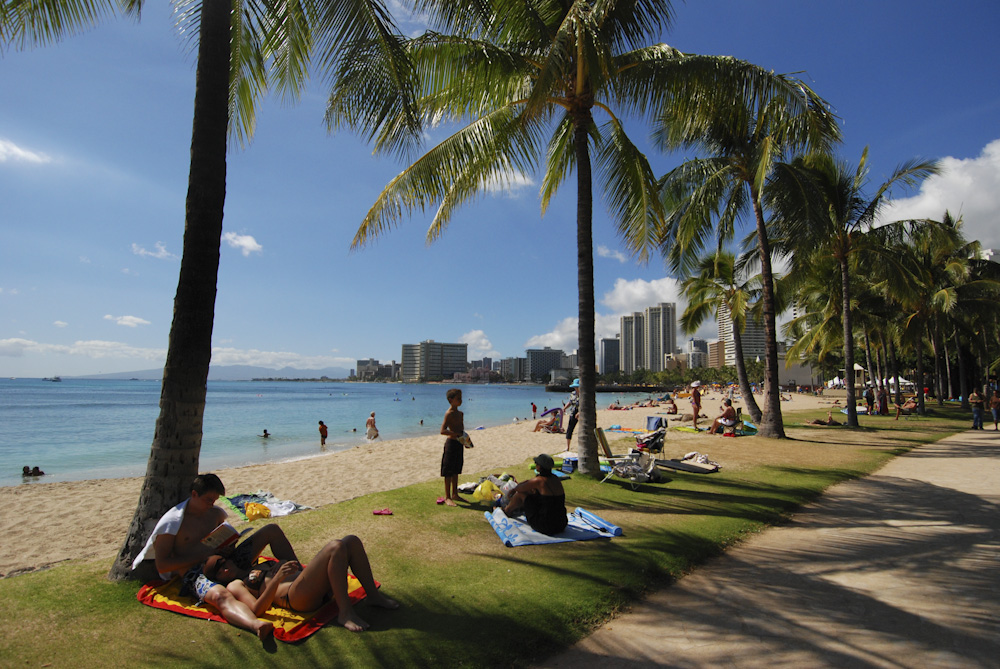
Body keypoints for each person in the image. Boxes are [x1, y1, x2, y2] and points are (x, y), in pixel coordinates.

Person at [131, 473, 299, 641]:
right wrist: (203, 555)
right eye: (208, 500)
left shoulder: (215, 513)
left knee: (271, 530)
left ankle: (299, 573)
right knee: (220, 596)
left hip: (224, 560)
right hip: (195, 571)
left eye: (215, 500)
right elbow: (163, 565)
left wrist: (227, 548)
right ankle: (255, 625)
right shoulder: (172, 523)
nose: (212, 504)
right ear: (194, 494)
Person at [204, 534, 399, 633]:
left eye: (221, 563)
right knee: (335, 546)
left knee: (351, 541)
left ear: (228, 558)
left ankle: (373, 596)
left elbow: (272, 531)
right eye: (218, 572)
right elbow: (256, 610)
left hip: (310, 584)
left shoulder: (254, 564)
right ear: (219, 579)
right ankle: (345, 613)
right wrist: (277, 578)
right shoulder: (236, 585)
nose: (224, 569)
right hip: (295, 597)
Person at [501, 454, 567, 536]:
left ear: (540, 467)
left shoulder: (539, 481)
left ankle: (507, 511)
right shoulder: (556, 478)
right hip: (561, 523)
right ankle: (512, 509)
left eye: (536, 463)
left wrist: (515, 489)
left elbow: (519, 488)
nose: (536, 465)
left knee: (521, 494)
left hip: (545, 525)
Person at [439, 388, 467, 507]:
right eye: (458, 398)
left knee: (456, 469)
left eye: (461, 398)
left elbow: (461, 429)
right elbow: (443, 430)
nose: (461, 400)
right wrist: (454, 434)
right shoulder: (449, 414)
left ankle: (455, 493)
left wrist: (466, 441)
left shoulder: (460, 413)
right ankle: (448, 497)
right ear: (451, 400)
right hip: (451, 443)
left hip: (459, 443)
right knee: (448, 471)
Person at [564, 380, 580, 450]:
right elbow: (570, 402)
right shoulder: (573, 394)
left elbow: (585, 405)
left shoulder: (584, 394)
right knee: (569, 429)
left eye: (577, 387)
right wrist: (564, 408)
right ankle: (567, 447)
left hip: (581, 412)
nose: (576, 388)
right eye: (575, 387)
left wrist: (580, 412)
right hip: (573, 411)